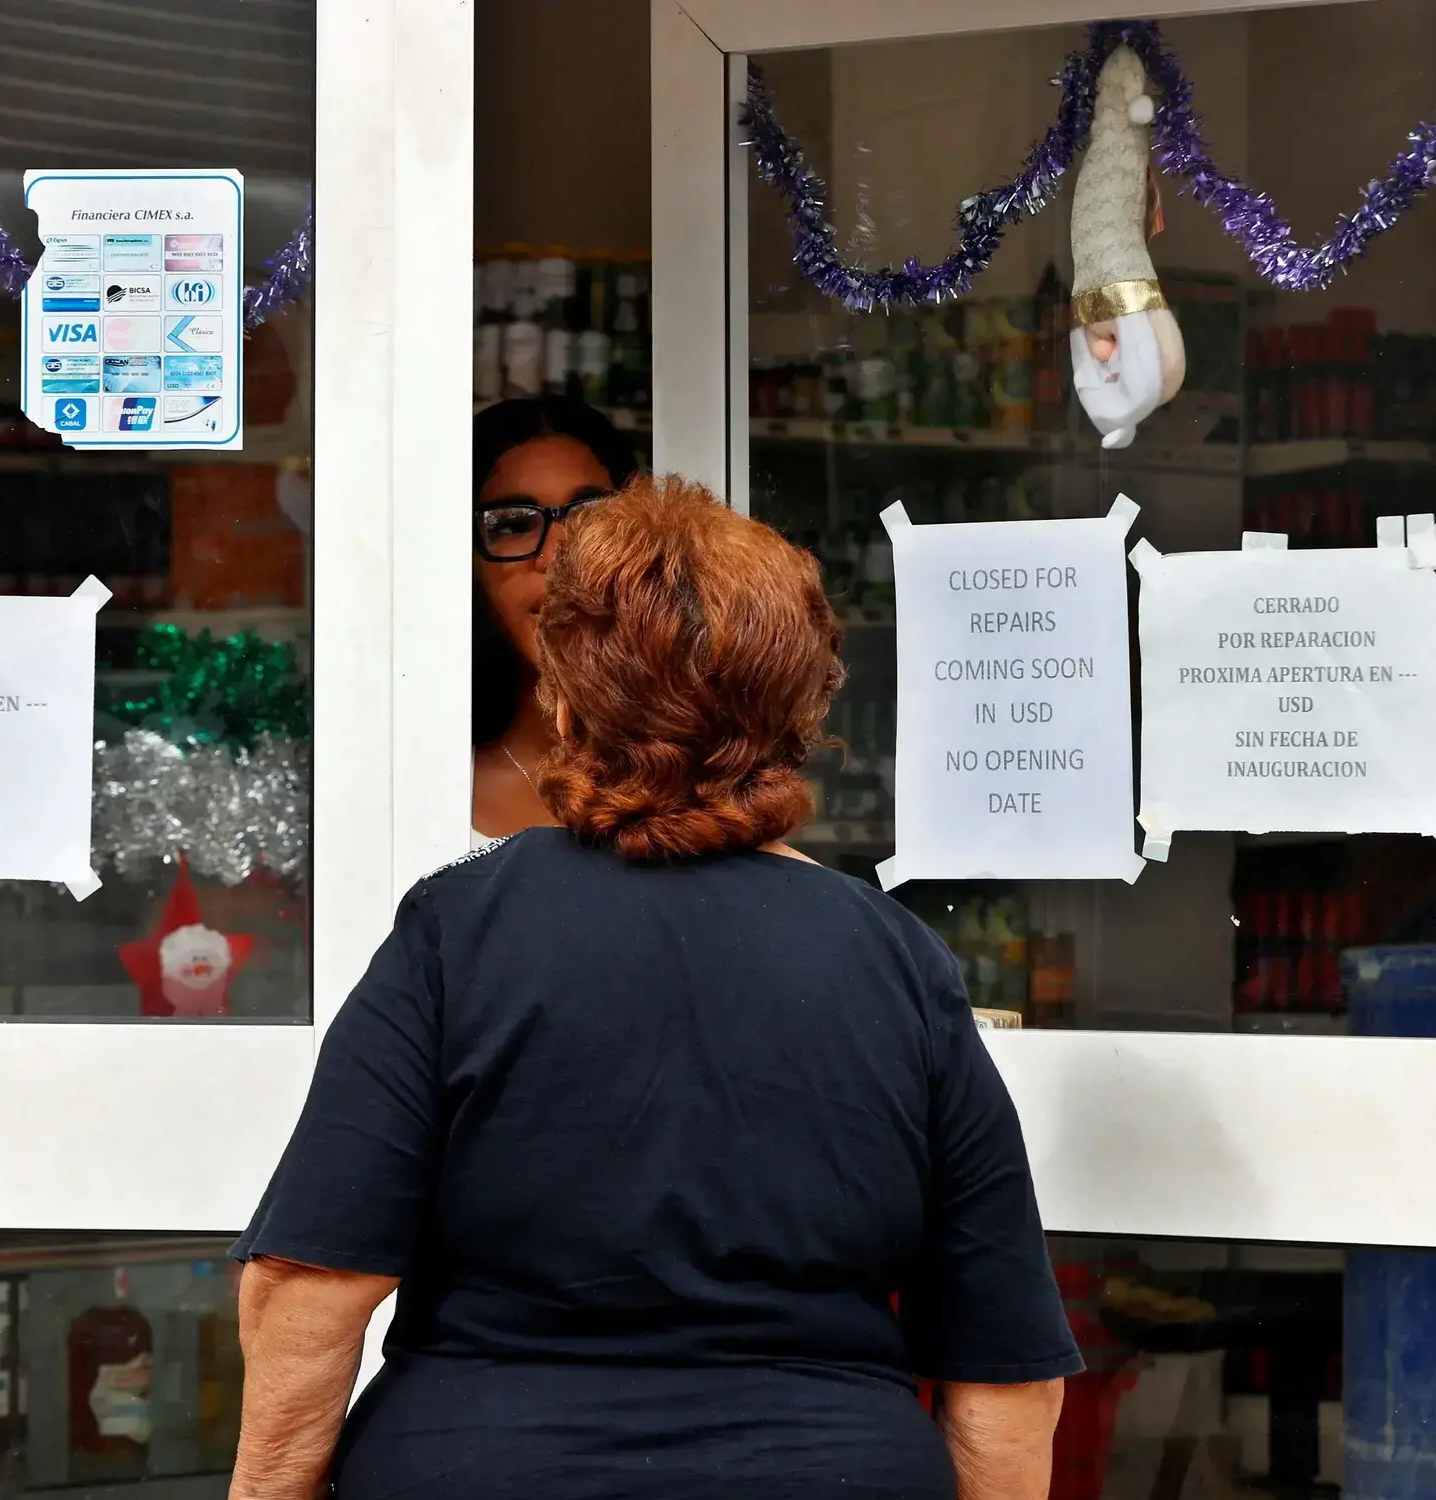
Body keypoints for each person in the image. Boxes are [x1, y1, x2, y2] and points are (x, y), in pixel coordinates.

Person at [229, 475, 1080, 1500]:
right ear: (803, 701)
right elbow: (1005, 1375)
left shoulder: (458, 932)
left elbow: (307, 1286)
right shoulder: (896, 963)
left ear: (564, 685)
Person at [469, 396, 639, 841]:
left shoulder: (697, 777)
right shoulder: (419, 786)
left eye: (590, 517)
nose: (556, 557)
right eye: (512, 524)